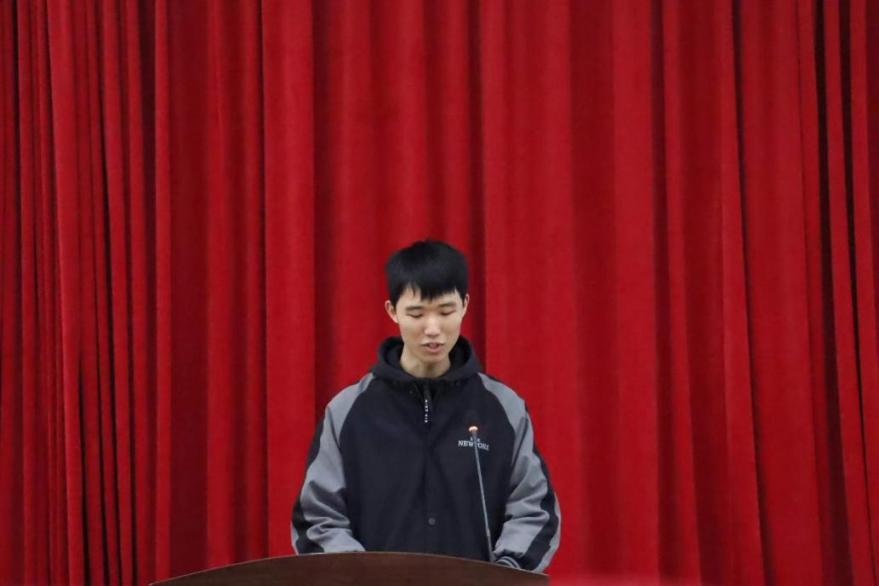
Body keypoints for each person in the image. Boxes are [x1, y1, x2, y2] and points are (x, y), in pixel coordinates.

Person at [291, 239, 560, 572]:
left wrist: (503, 575)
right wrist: (364, 576)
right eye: (416, 314)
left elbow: (534, 510)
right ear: (392, 311)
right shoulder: (347, 411)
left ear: (465, 305)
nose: (433, 330)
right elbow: (317, 518)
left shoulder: (503, 408)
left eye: (446, 311)